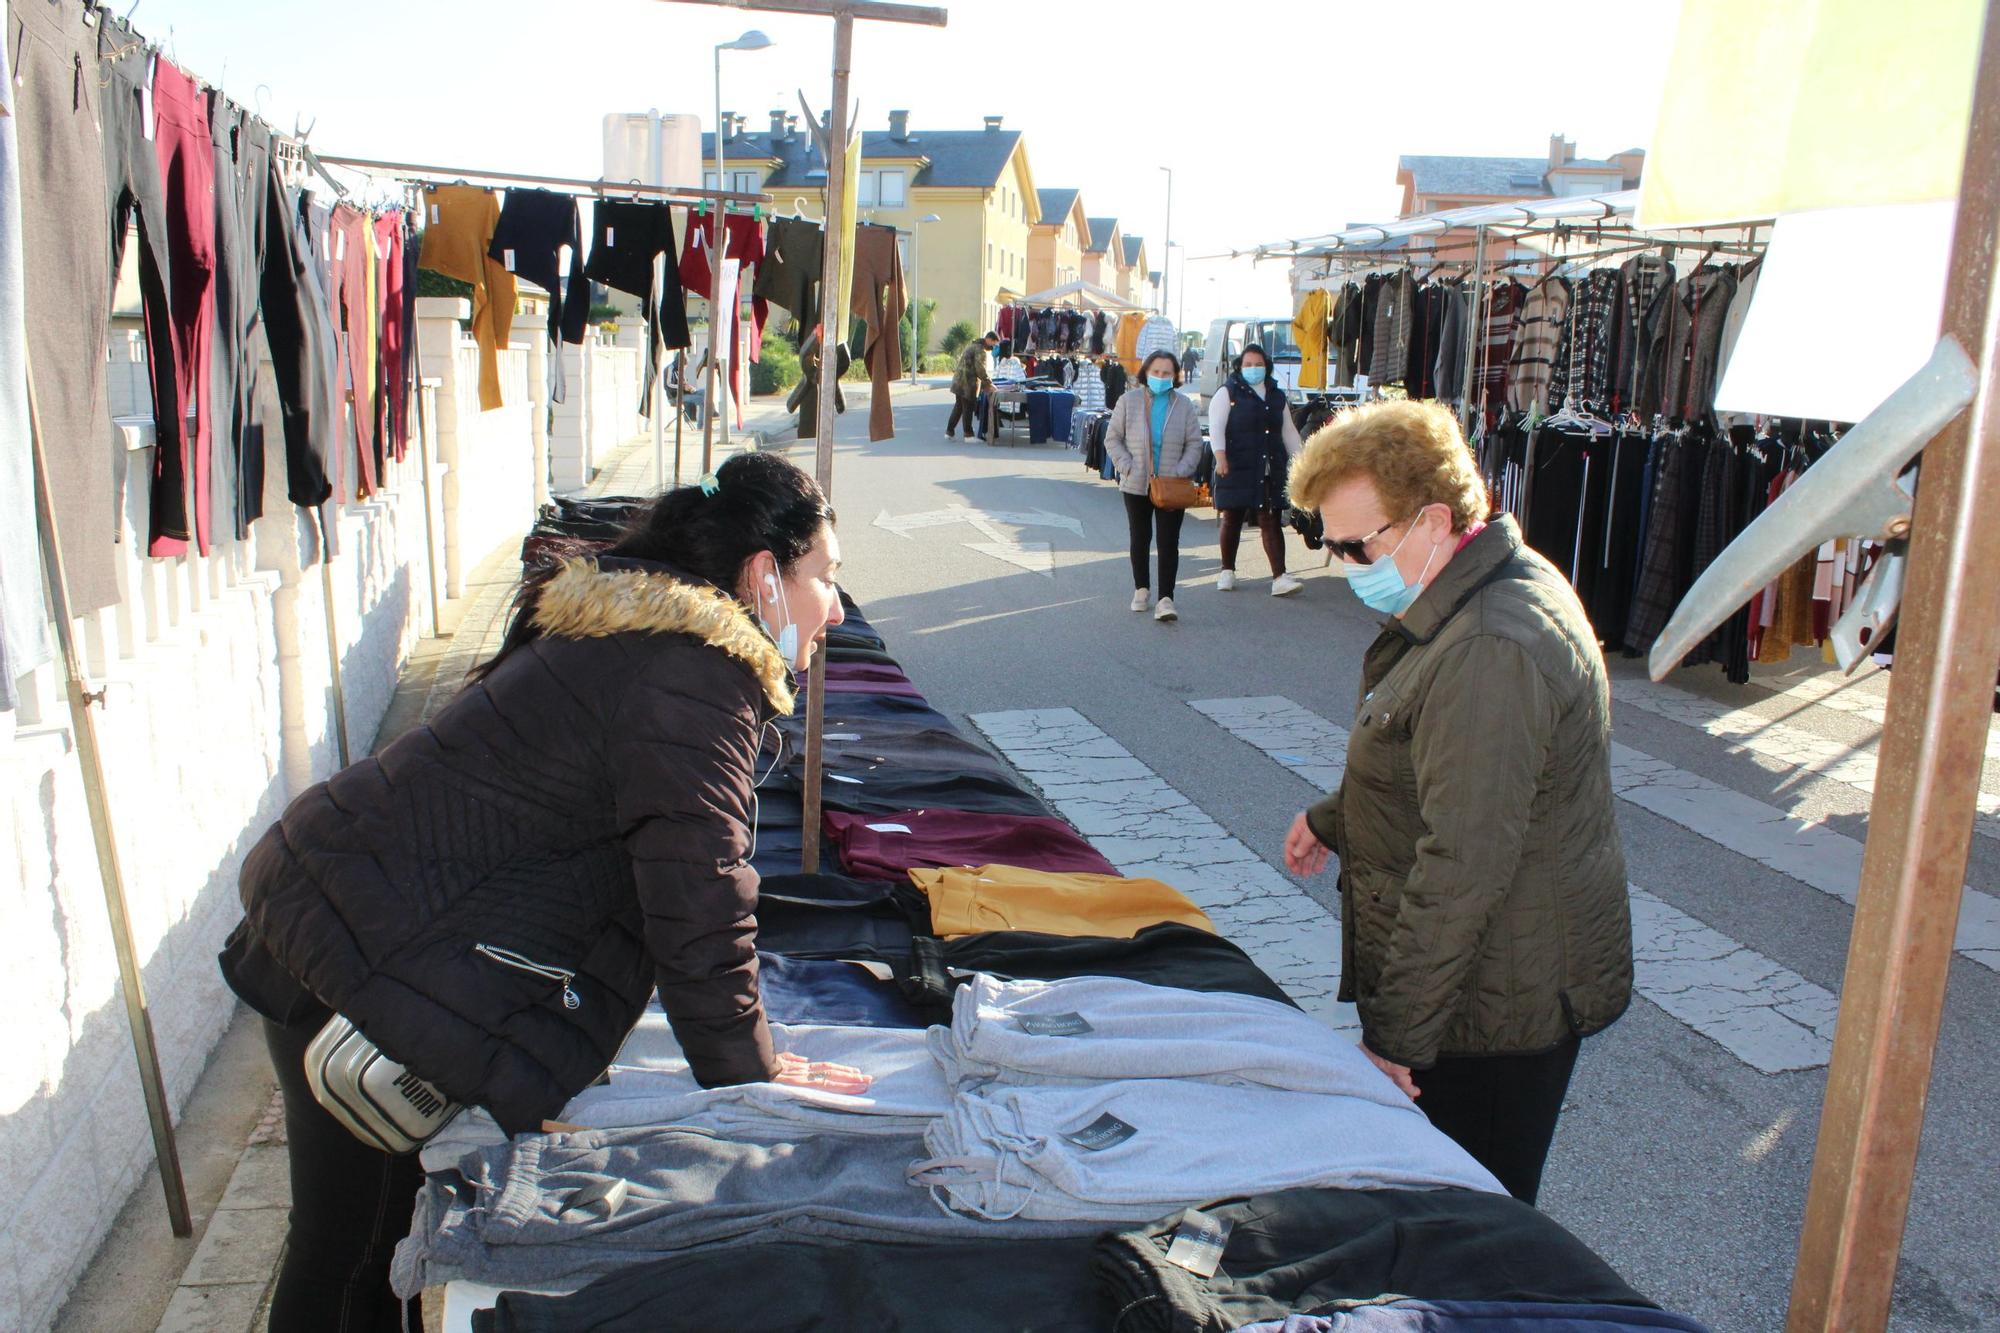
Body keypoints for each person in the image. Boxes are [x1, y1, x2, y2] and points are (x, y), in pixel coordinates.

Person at [217, 452, 871, 1331]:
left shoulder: (644, 635)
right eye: (824, 575)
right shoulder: (692, 676)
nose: (836, 603)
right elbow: (700, 900)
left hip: (347, 916)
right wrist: (750, 1072)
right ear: (764, 577)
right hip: (354, 958)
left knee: (357, 1248)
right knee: (348, 1256)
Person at [1279, 400, 1632, 1205]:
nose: (1341, 562)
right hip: (1495, 978)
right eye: (1327, 543)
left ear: (1432, 520)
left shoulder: (1487, 646)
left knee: (1467, 1225)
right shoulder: (1479, 584)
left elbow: (1462, 863)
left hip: (1495, 1005)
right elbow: (1430, 765)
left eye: (1354, 544)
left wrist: (1395, 1036)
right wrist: (1333, 817)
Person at [1105, 349, 1204, 621]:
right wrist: (1127, 465)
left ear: (1175, 376)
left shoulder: (1183, 405)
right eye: (1156, 372)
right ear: (1146, 373)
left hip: (1171, 484)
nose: (1161, 377)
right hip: (1136, 483)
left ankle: (1166, 599)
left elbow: (1195, 443)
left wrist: (1181, 470)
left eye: (1167, 373)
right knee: (1140, 537)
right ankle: (1141, 589)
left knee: (1168, 541)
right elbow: (1112, 438)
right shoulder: (1128, 401)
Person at [1209, 344, 1306, 596]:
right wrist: (1220, 457)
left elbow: (1288, 431)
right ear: (1240, 367)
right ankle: (1226, 570)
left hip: (1268, 465)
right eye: (1248, 364)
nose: (1254, 369)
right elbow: (1216, 427)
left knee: (1270, 518)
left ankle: (1280, 576)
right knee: (1232, 517)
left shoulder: (1275, 395)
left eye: (1258, 364)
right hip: (1235, 464)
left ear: (1267, 366)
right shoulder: (1228, 392)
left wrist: (1303, 461)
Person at [949, 330, 998, 441]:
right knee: (968, 408)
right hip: (967, 382)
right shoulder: (980, 350)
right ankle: (968, 435)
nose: (993, 347)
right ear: (989, 339)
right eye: (993, 343)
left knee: (959, 407)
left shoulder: (972, 345)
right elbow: (980, 368)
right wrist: (989, 383)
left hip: (958, 381)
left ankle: (949, 431)